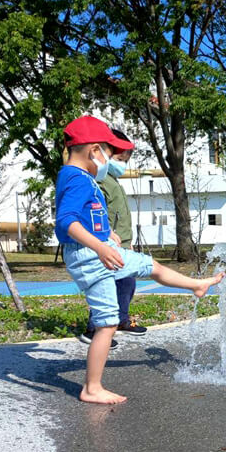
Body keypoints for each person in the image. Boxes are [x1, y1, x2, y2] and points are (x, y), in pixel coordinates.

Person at [55, 115, 222, 404]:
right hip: (92, 257)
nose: (110, 159)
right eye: (108, 152)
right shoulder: (76, 179)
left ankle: (196, 285)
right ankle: (91, 388)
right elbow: (65, 222)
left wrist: (106, 236)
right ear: (94, 150)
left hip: (100, 249)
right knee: (106, 324)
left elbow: (86, 215)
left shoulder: (80, 177)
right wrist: (100, 247)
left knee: (150, 266)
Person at [79, 127, 146, 345]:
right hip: (107, 244)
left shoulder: (111, 179)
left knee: (127, 283)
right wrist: (107, 232)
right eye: (118, 158)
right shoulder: (98, 179)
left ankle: (121, 320)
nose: (122, 164)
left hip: (122, 244)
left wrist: (128, 243)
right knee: (106, 287)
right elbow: (94, 209)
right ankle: (94, 328)